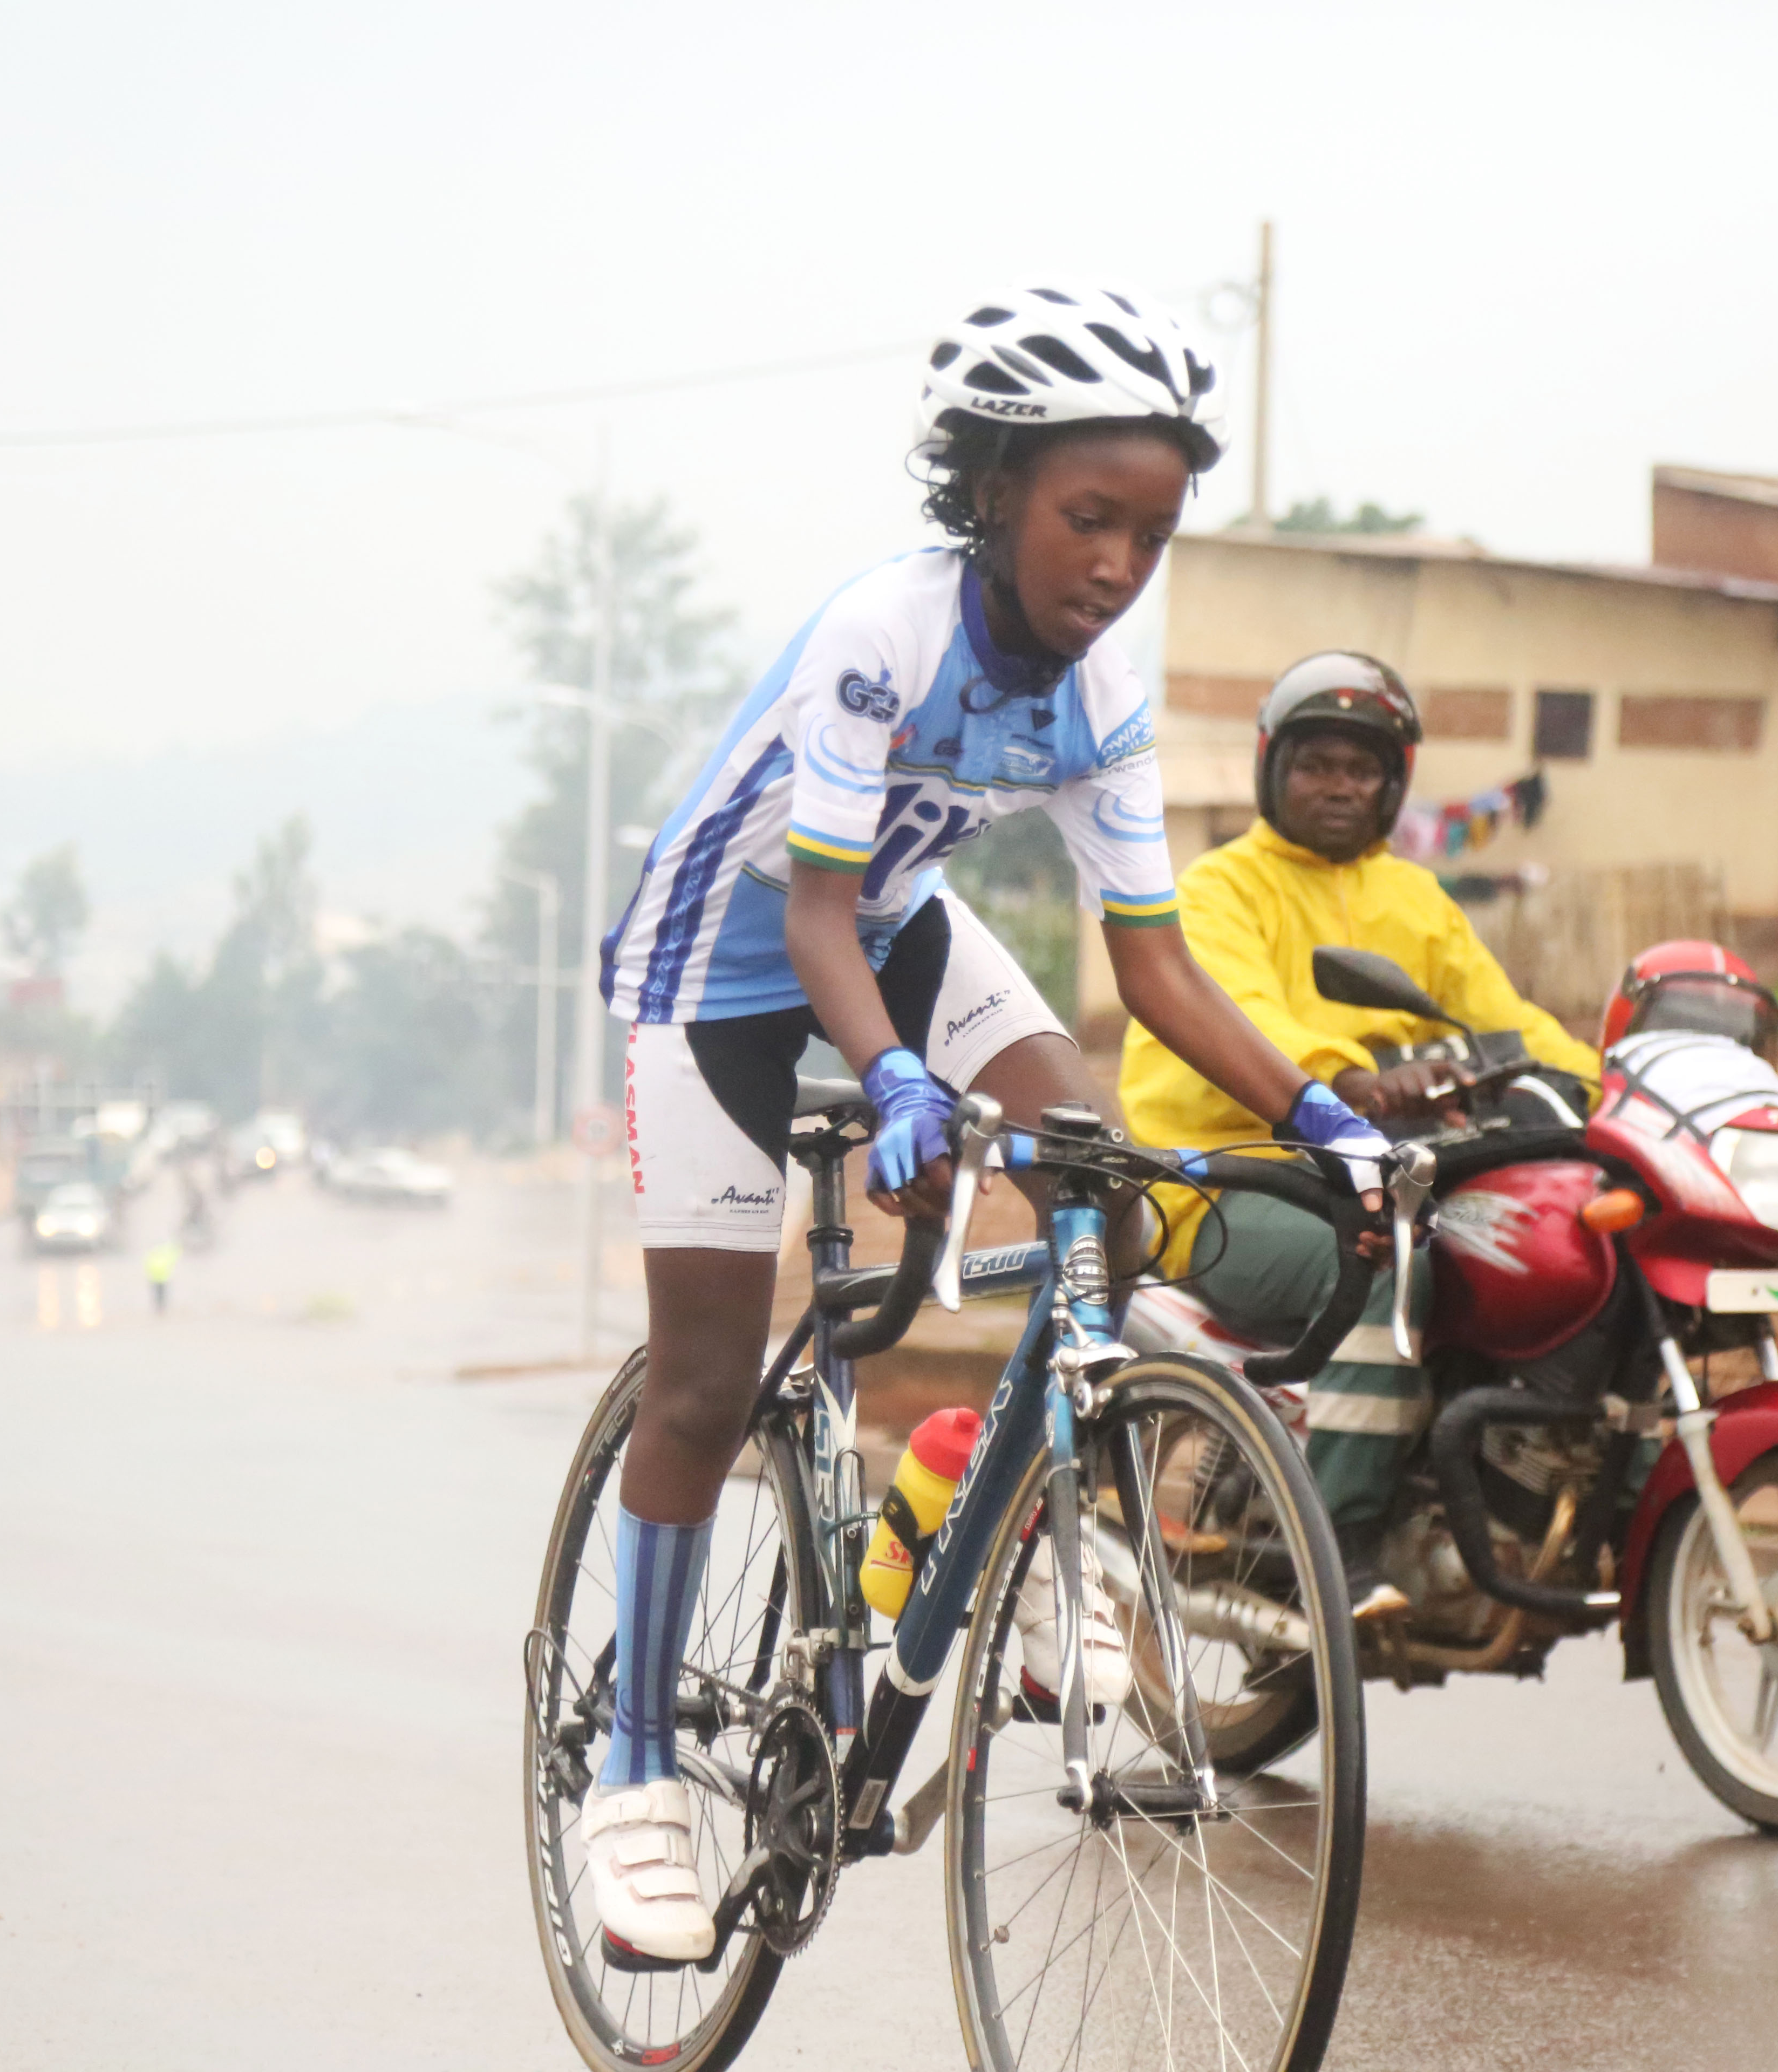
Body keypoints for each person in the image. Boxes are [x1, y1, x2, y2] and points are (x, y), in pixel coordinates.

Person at [580, 285, 1394, 1969]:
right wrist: (887, 1079)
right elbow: (810, 924)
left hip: (901, 926)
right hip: (720, 964)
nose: (1117, 563)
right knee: (707, 1378)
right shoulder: (886, 630)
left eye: (1153, 534)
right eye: (1088, 519)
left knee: (1092, 1160)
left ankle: (1017, 1523)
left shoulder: (1103, 690)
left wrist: (1319, 1114)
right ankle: (639, 1774)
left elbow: (1154, 966)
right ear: (997, 492)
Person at [1119, 652, 1600, 1619]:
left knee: (1568, 1251)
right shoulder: (1220, 890)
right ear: (1273, 771)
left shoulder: (1418, 902)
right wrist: (1352, 1080)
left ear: (1395, 784)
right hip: (1233, 1179)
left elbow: (1501, 1020)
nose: (1340, 786)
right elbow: (1243, 1016)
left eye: (1362, 768)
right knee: (1389, 1265)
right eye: (1316, 765)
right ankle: (1338, 1542)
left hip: (1390, 1166)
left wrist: (1608, 1089)